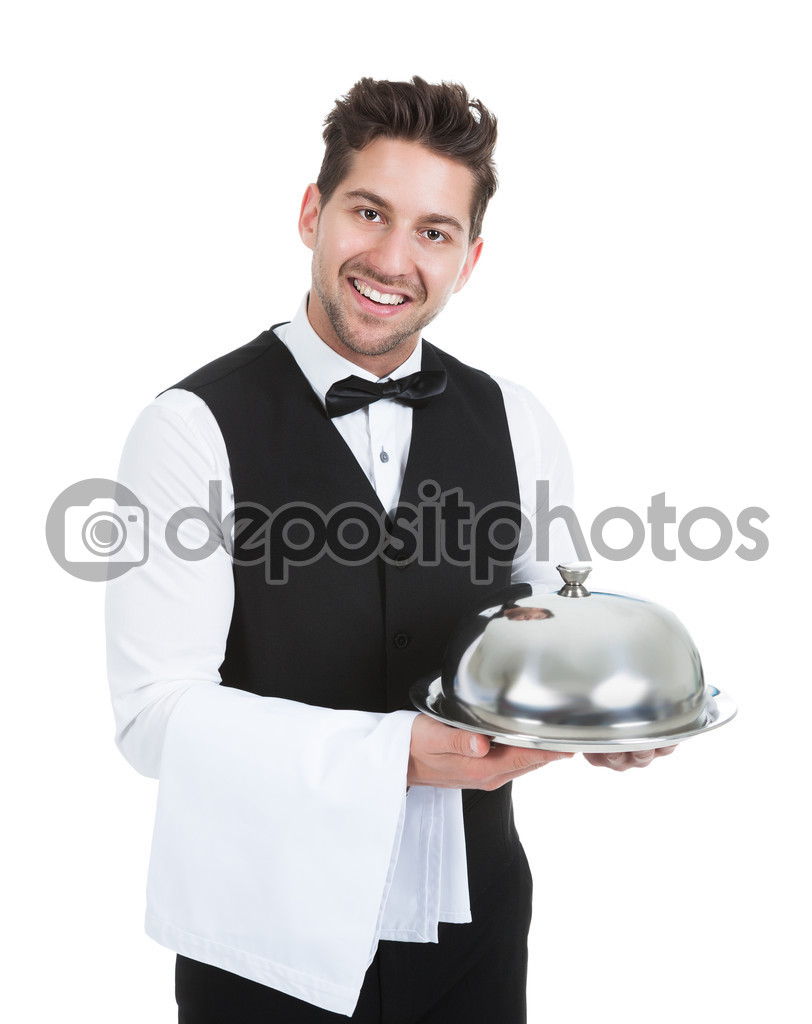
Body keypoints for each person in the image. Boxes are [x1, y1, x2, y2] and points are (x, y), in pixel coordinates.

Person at [106, 76, 674, 1024]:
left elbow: (544, 624)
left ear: (470, 258)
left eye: (434, 232)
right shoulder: (189, 428)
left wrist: (604, 715)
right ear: (311, 213)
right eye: (369, 212)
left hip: (476, 922)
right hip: (265, 933)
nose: (392, 257)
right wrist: (393, 755)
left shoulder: (517, 420)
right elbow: (153, 718)